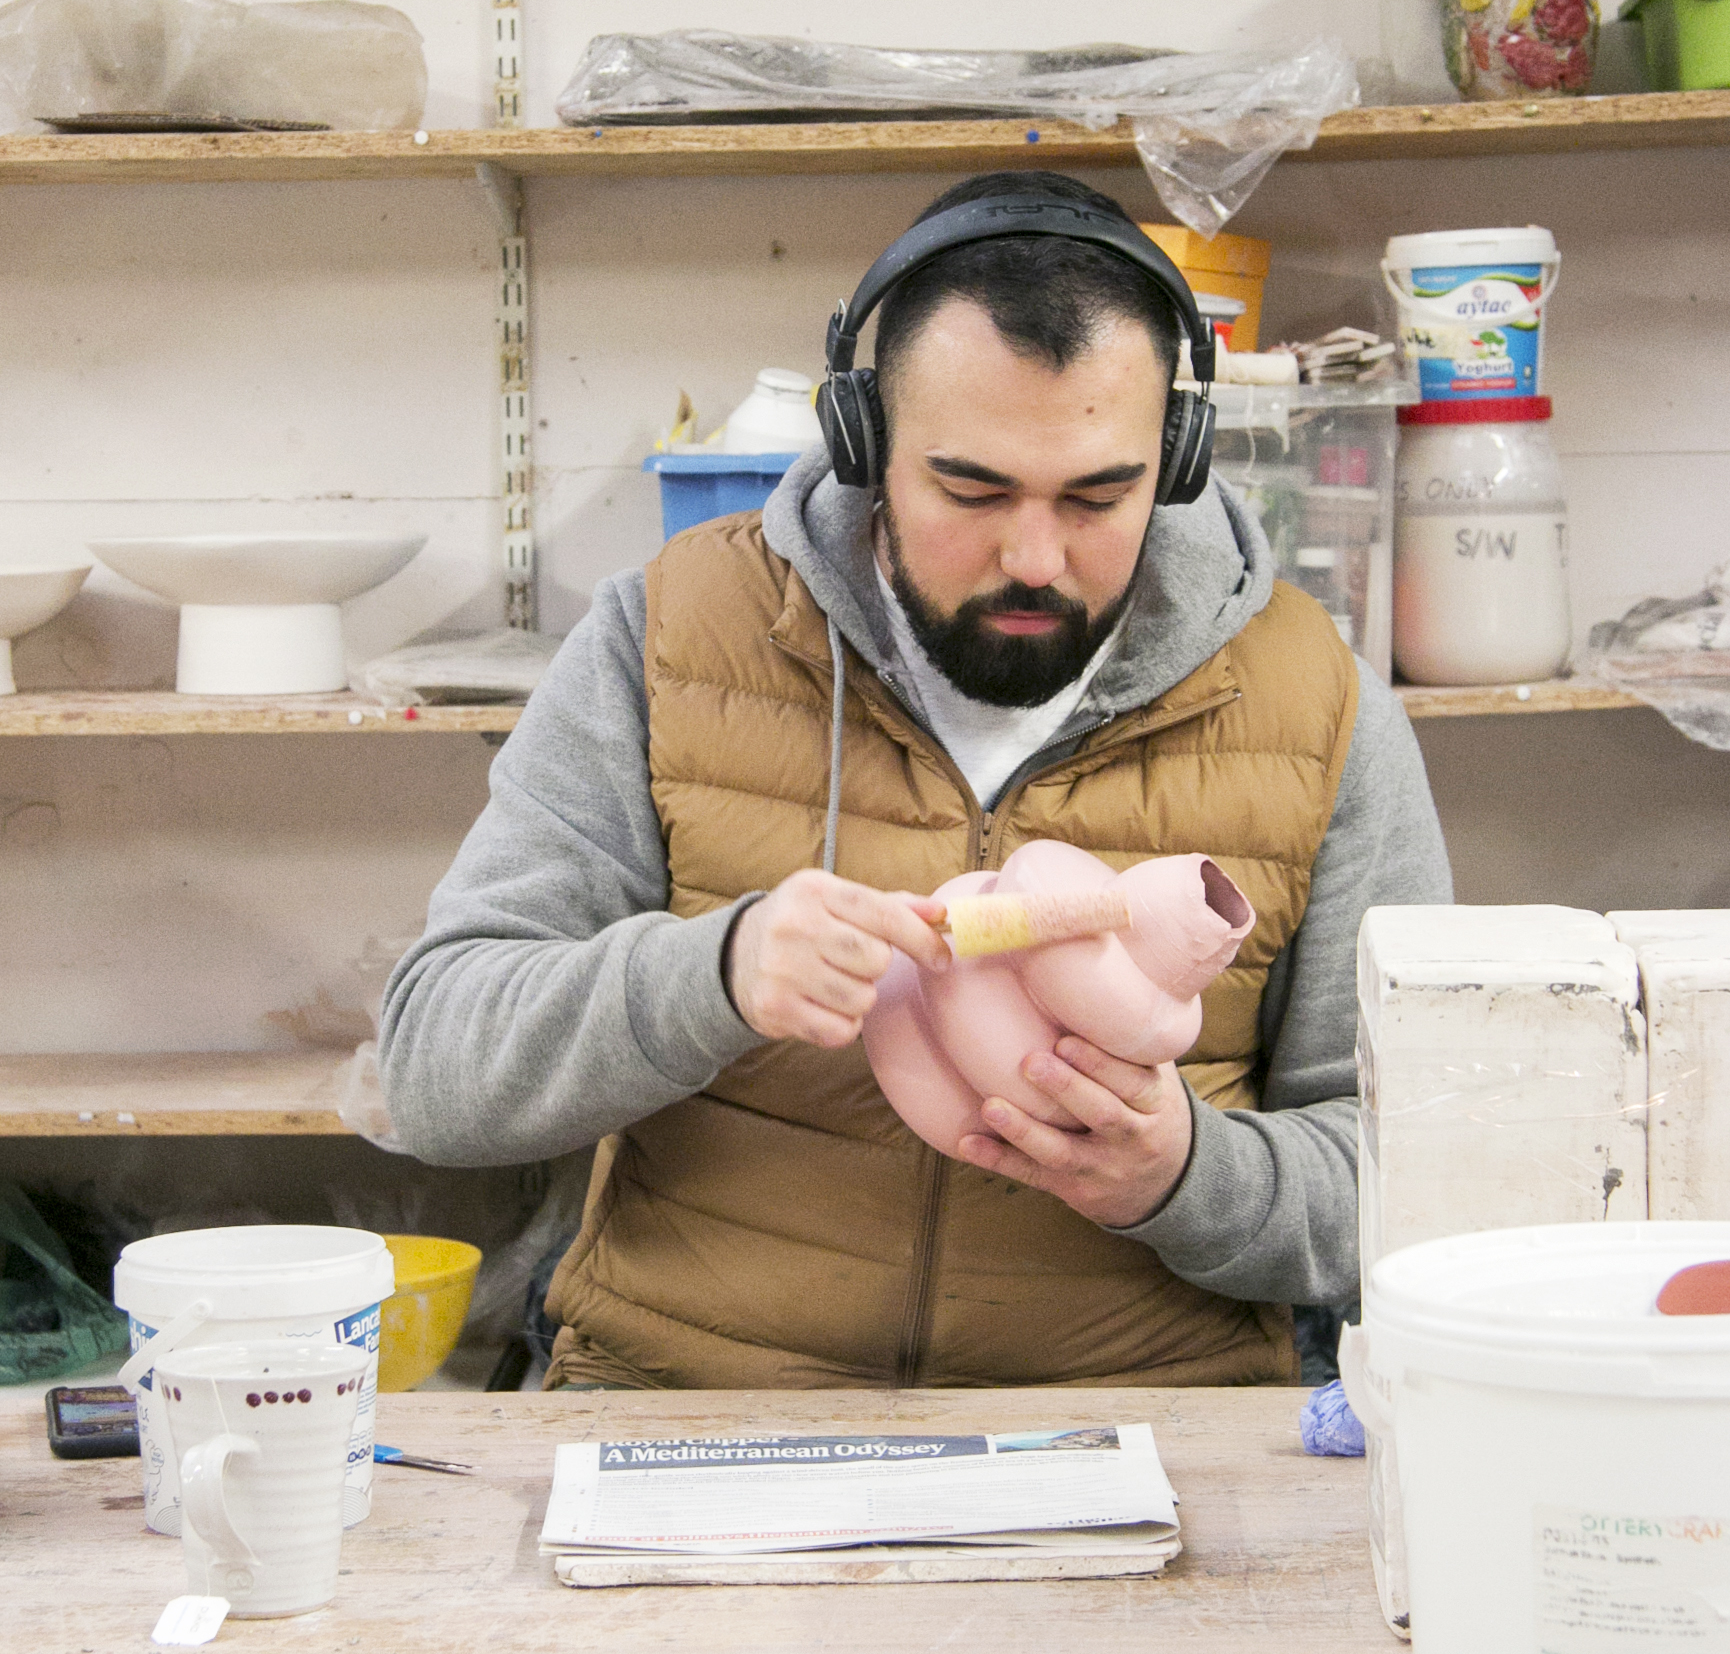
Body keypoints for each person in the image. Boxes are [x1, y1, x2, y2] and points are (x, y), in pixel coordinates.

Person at [380, 170, 1450, 1390]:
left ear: (1176, 459)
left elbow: (1423, 1177)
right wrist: (709, 976)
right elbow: (436, 1077)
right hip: (693, 1407)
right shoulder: (666, 638)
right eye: (970, 490)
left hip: (1150, 1425)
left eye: (1098, 496)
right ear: (863, 444)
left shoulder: (1317, 704)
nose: (1034, 558)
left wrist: (1184, 1178)